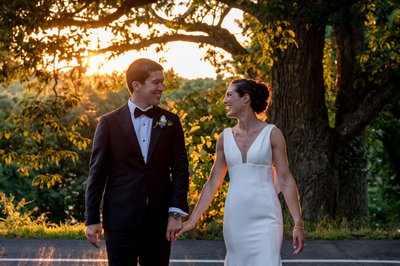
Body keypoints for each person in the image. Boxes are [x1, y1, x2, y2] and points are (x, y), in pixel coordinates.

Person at [176, 79, 305, 265]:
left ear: (245, 99)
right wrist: (192, 220)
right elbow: (213, 183)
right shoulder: (224, 138)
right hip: (235, 218)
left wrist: (298, 223)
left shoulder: (273, 133)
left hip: (267, 217)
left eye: (229, 95)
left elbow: (285, 180)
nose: (224, 100)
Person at [85, 58, 189, 266]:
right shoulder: (109, 123)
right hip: (120, 220)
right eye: (156, 82)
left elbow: (180, 170)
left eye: (162, 82)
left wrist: (175, 214)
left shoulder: (171, 122)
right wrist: (92, 219)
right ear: (136, 85)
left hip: (159, 222)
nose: (162, 87)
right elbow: (97, 174)